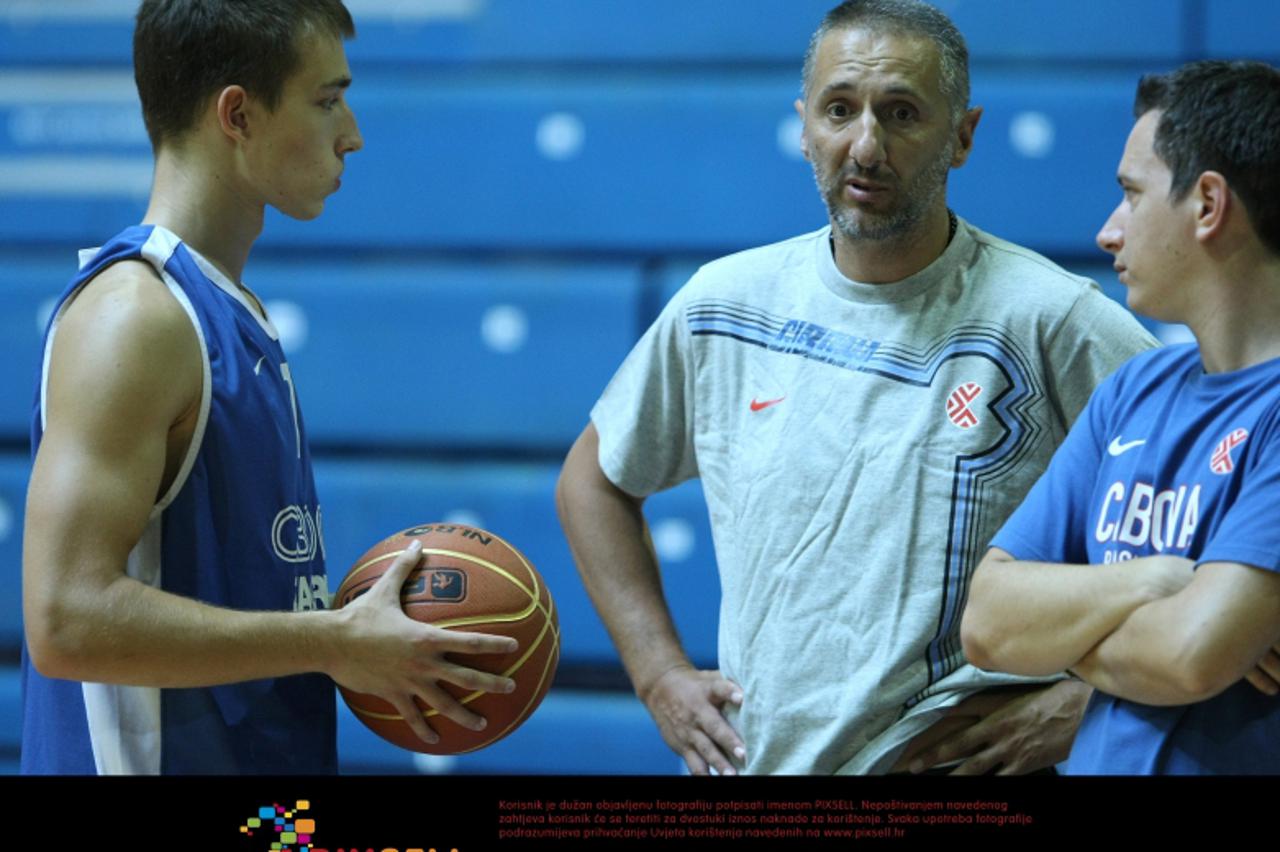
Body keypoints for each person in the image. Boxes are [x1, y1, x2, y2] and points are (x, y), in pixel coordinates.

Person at [556, 0, 1156, 776]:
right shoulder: (724, 305)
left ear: (962, 135)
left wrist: (1092, 700)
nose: (865, 146)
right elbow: (592, 483)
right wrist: (659, 674)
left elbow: (1215, 519)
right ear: (805, 126)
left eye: (901, 113)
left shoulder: (1052, 319)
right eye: (841, 110)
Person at [20, 0, 517, 775]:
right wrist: (335, 642)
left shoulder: (229, 311)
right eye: (326, 100)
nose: (350, 132)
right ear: (238, 114)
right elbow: (66, 619)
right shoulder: (137, 315)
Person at [961, 60, 1280, 774]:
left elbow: (1190, 658)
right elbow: (987, 621)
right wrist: (1157, 581)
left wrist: (1062, 632)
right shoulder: (1130, 390)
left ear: (1208, 205)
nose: (1108, 233)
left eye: (1131, 196)